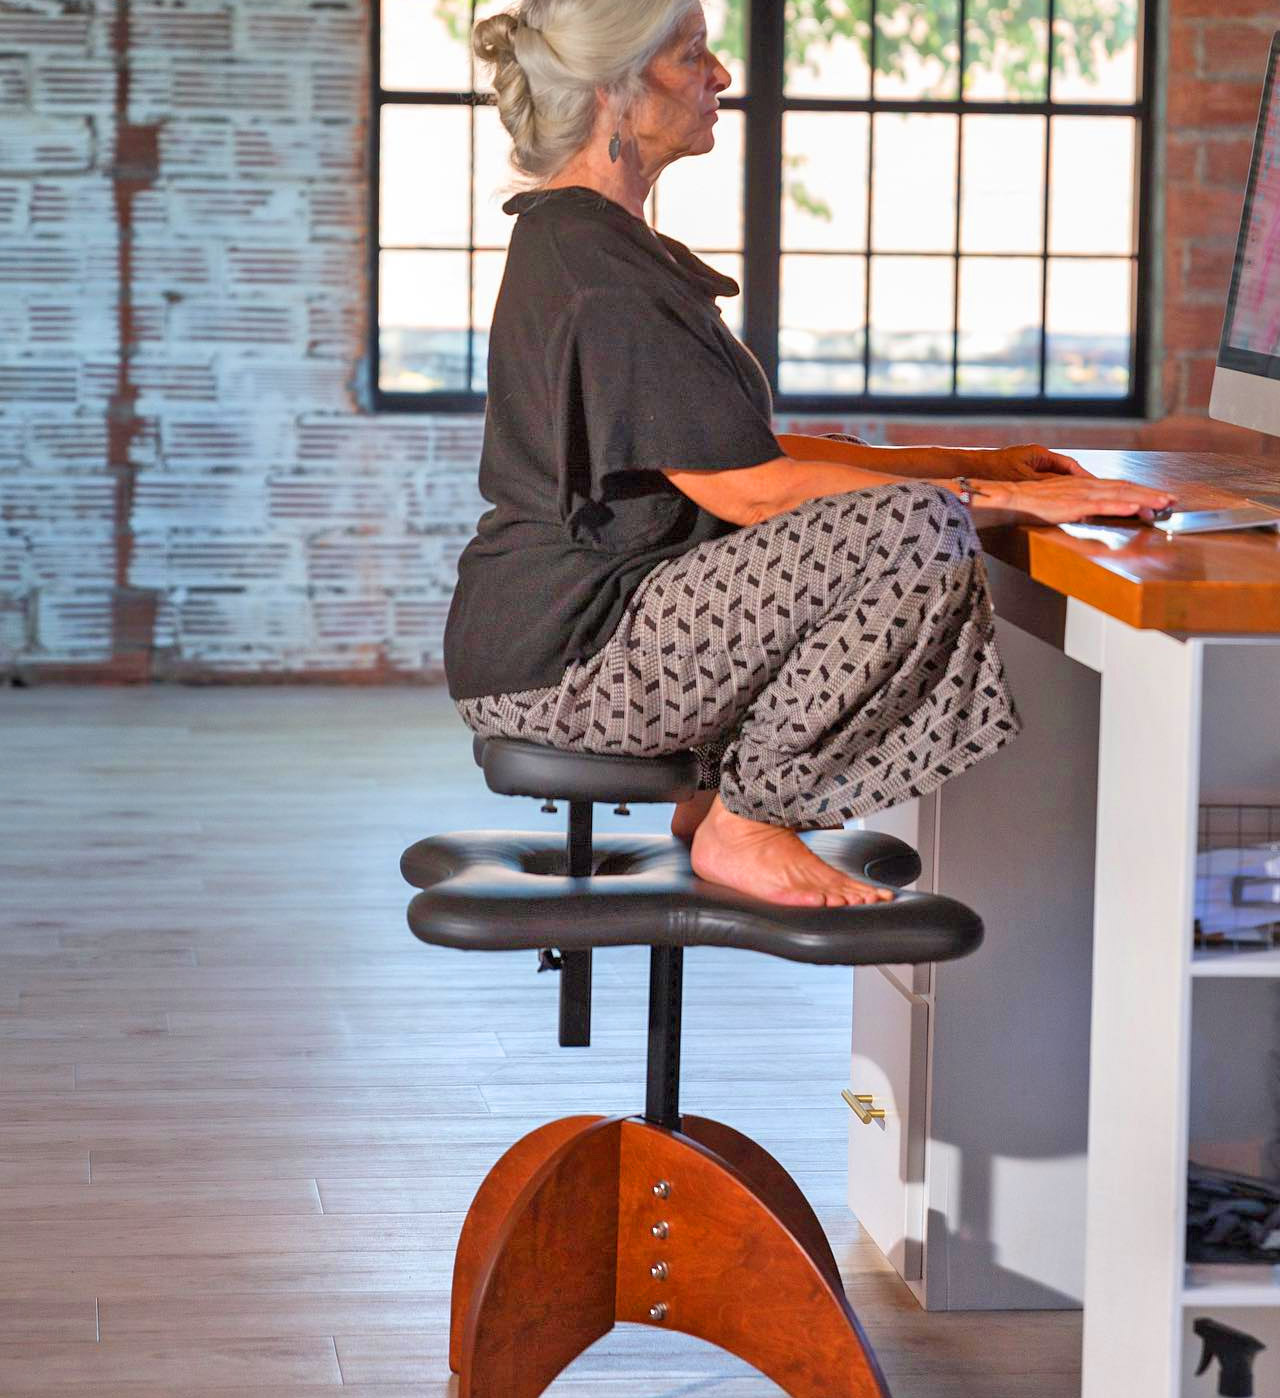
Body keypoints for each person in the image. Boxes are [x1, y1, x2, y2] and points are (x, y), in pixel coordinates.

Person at [446, 0, 1174, 909]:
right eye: (693, 55)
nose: (720, 76)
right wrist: (993, 501)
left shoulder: (590, 244)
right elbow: (754, 494)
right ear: (617, 97)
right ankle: (747, 820)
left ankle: (716, 795)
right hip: (569, 660)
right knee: (919, 532)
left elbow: (745, 453)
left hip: (570, 638)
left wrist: (995, 465)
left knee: (919, 509)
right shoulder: (599, 272)